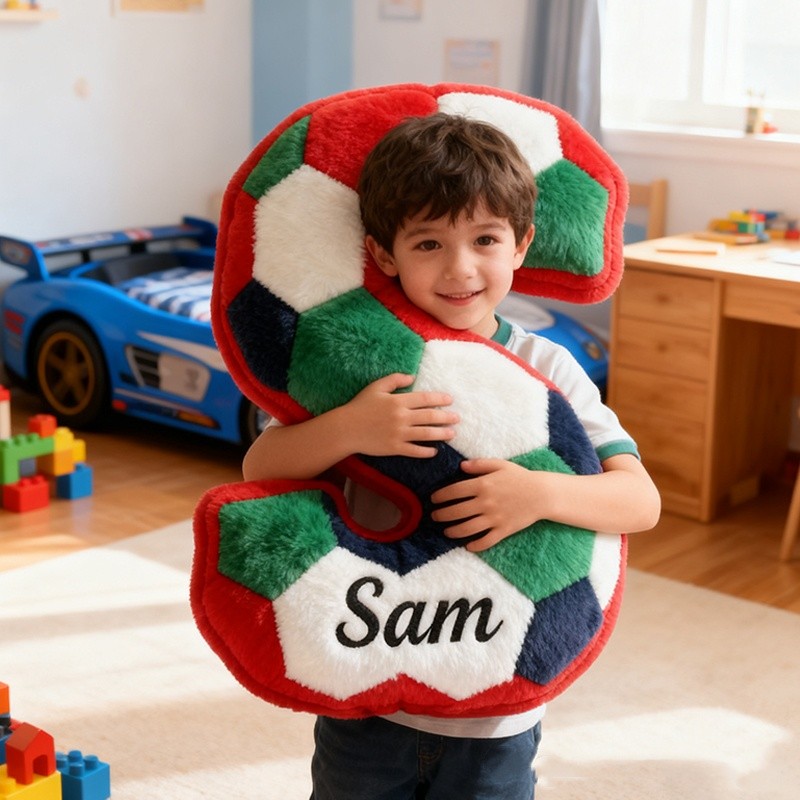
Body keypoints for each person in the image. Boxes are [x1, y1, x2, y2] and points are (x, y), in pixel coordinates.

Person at [243, 112, 661, 800]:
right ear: (384, 255)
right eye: (429, 243)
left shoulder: (544, 363)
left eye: (486, 239)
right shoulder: (354, 365)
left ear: (522, 244)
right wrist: (352, 428)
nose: (460, 268)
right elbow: (260, 471)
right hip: (368, 686)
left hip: (494, 706)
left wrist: (540, 494)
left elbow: (639, 502)